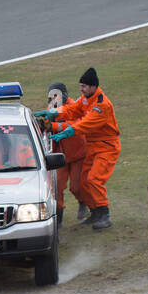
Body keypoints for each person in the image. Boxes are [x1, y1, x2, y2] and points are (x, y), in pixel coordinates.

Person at [38, 66, 120, 230]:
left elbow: (85, 123)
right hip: (92, 146)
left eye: (83, 86)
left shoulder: (101, 105)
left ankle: (104, 214)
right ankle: (95, 212)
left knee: (94, 179)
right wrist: (55, 112)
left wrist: (64, 131)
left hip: (106, 147)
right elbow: (73, 109)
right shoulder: (85, 99)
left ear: (93, 86)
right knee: (83, 183)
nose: (80, 90)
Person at [44, 81, 88, 223]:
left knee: (76, 187)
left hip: (77, 154)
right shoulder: (52, 108)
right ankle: (59, 217)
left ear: (63, 95)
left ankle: (83, 203)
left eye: (56, 96)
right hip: (59, 156)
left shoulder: (74, 106)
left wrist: (52, 126)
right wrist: (44, 124)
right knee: (57, 188)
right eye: (51, 97)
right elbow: (47, 125)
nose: (53, 100)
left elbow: (73, 125)